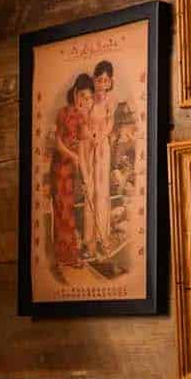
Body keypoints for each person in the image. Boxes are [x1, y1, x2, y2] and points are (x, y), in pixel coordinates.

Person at [51, 75, 91, 269]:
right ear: (75, 93)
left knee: (69, 211)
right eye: (82, 96)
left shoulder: (83, 118)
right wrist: (71, 155)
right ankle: (65, 256)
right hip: (60, 167)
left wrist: (85, 176)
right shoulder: (63, 113)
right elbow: (58, 143)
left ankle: (68, 254)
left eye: (88, 98)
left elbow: (82, 149)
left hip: (72, 170)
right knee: (62, 211)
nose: (85, 101)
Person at [85, 58, 116, 256]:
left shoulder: (110, 102)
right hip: (89, 147)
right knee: (90, 190)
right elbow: (84, 123)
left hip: (102, 147)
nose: (102, 84)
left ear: (110, 82)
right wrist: (91, 138)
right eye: (99, 80)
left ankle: (103, 237)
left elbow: (110, 124)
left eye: (105, 80)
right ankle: (89, 241)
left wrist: (101, 137)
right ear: (93, 80)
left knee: (102, 192)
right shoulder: (89, 101)